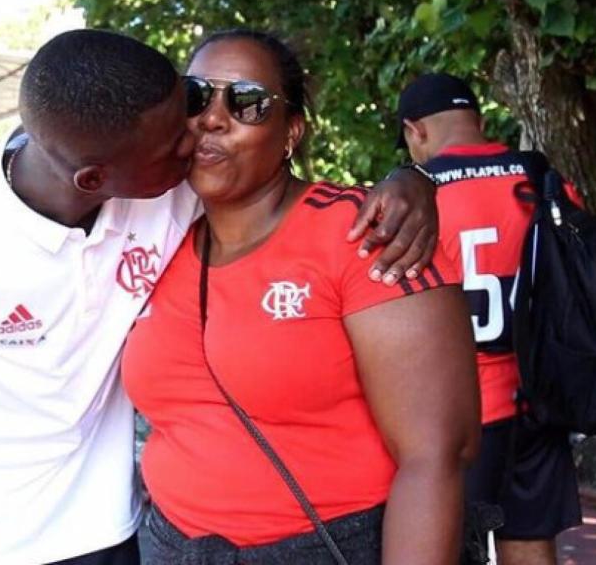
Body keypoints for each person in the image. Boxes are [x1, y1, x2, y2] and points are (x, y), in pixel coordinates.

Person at [0, 29, 440, 565]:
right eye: (187, 117)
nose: (196, 139)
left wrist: (413, 178)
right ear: (94, 180)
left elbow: (278, 190)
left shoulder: (168, 195)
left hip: (117, 534)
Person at [122, 30, 480, 565]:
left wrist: (413, 179)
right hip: (169, 545)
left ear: (291, 132)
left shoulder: (364, 234)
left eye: (247, 103)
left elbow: (435, 456)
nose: (213, 118)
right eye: (196, 96)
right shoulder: (153, 236)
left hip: (329, 546)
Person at [395, 72, 583, 565]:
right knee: (531, 540)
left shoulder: (414, 198)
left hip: (456, 413)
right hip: (541, 401)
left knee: (449, 548)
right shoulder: (544, 180)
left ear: (416, 131)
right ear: (477, 120)